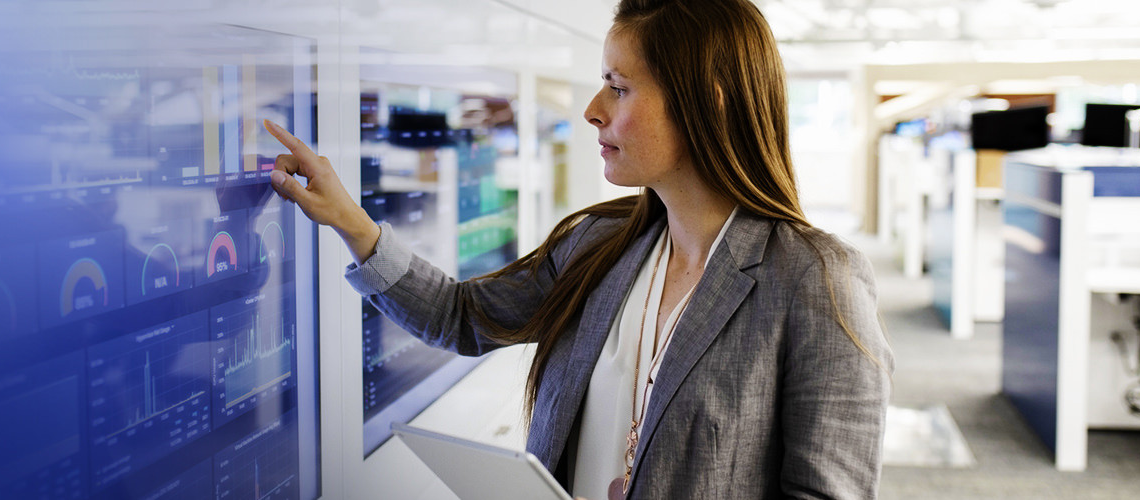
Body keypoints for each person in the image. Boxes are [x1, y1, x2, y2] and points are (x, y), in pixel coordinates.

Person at [262, 0, 893, 497]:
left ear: (708, 103)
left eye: (618, 87)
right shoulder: (601, 245)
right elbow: (461, 316)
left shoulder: (816, 280)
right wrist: (353, 223)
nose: (592, 110)